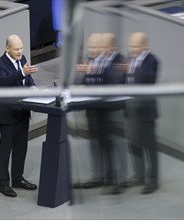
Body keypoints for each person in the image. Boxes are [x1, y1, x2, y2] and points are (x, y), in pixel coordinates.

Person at [74, 32, 127, 195]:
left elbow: (113, 79)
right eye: (90, 47)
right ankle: (101, 176)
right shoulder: (91, 60)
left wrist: (93, 71)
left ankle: (120, 180)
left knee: (115, 145)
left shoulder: (119, 59)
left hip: (112, 110)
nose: (92, 50)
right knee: (97, 144)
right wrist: (81, 83)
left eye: (96, 47)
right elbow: (80, 80)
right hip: (95, 109)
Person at [0, 34, 39, 197]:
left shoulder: (23, 58)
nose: (20, 52)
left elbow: (28, 78)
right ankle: (4, 184)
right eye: (16, 49)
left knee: (21, 148)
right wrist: (22, 72)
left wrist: (33, 86)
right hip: (8, 114)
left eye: (21, 48)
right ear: (7, 48)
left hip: (23, 111)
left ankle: (17, 178)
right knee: (6, 150)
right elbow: (4, 84)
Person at [124, 32, 159, 194]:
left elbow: (148, 80)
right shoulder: (130, 60)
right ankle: (138, 175)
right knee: (133, 143)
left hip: (145, 111)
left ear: (145, 46)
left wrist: (131, 70)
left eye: (136, 46)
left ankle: (153, 180)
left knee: (149, 146)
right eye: (131, 45)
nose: (132, 49)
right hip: (131, 110)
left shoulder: (152, 61)